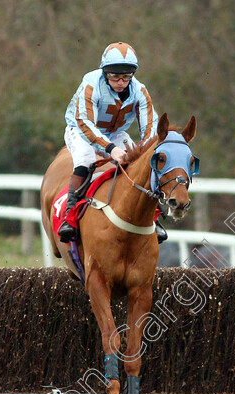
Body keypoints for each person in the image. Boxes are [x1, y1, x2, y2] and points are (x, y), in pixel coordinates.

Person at [58, 41, 167, 243]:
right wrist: (110, 148)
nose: (120, 82)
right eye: (114, 76)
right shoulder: (90, 83)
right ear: (104, 72)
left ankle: (153, 215)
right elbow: (85, 121)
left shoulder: (140, 91)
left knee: (139, 163)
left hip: (115, 132)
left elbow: (150, 126)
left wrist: (145, 150)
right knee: (85, 160)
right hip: (81, 130)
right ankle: (70, 217)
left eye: (126, 77)